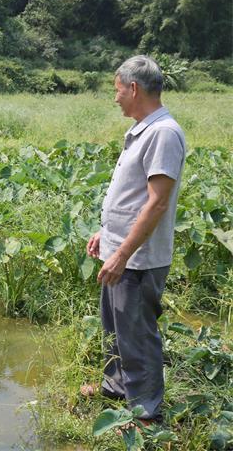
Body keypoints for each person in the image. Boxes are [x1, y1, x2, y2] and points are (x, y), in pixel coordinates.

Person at [82, 55, 186, 424]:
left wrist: (123, 253)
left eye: (117, 90)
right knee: (116, 326)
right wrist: (107, 233)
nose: (115, 98)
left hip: (138, 258)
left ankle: (146, 413)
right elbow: (132, 196)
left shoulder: (163, 133)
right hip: (120, 249)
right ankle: (116, 387)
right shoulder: (144, 129)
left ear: (134, 88)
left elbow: (156, 203)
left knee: (138, 333)